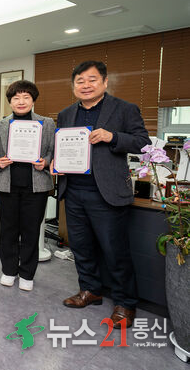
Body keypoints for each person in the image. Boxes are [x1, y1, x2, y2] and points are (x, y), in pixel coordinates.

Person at [52, 60, 149, 328]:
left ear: (105, 82)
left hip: (107, 193)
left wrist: (112, 137)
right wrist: (56, 161)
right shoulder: (65, 113)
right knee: (81, 247)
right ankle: (90, 290)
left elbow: (143, 143)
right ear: (73, 86)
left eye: (92, 79)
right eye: (80, 81)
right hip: (74, 191)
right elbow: (62, 145)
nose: (86, 85)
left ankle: (125, 302)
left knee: (115, 251)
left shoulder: (124, 109)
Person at [0, 80, 54, 292]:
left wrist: (45, 162)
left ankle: (27, 273)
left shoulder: (47, 123)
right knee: (8, 230)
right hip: (7, 184)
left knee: (31, 231)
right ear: (10, 102)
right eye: (16, 98)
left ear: (33, 100)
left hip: (36, 186)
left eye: (26, 97)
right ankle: (9, 270)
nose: (21, 101)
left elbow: (52, 150)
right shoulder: (0, 125)